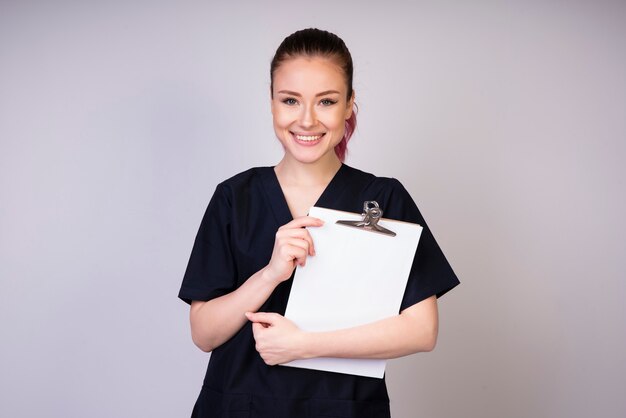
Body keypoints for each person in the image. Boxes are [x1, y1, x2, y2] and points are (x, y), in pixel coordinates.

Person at [179, 28, 459, 418]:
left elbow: (421, 330)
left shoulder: (382, 199)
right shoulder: (234, 197)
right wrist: (271, 274)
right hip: (238, 406)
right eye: (290, 100)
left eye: (326, 101)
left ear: (348, 105)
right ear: (272, 104)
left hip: (345, 408)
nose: (306, 120)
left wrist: (303, 344)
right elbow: (203, 333)